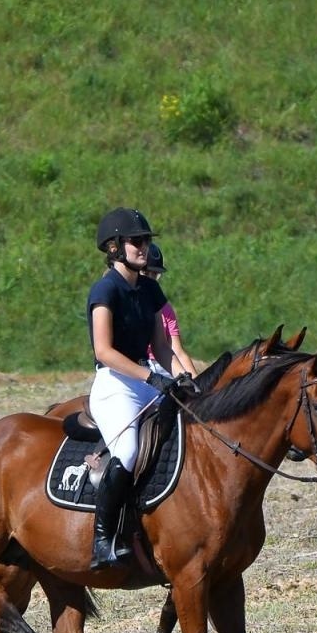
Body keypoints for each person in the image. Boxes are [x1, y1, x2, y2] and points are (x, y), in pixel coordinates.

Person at [87, 208, 194, 570]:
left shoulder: (149, 287)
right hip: (115, 383)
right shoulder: (105, 290)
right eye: (137, 241)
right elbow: (103, 351)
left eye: (147, 240)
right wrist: (152, 378)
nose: (144, 247)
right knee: (129, 450)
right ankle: (102, 538)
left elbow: (163, 347)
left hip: (145, 377)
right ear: (115, 247)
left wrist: (180, 377)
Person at [143, 243, 197, 378]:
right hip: (139, 367)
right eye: (145, 273)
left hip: (165, 365)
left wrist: (198, 382)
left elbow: (177, 350)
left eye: (155, 274)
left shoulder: (165, 308)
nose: (150, 278)